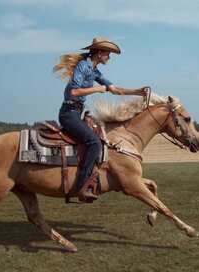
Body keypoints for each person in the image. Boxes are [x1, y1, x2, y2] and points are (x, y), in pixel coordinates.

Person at [53, 37, 147, 202]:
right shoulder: (83, 66)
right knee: (94, 142)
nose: (109, 58)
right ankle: (81, 185)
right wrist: (96, 89)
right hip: (69, 113)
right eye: (108, 54)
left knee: (99, 139)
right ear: (100, 53)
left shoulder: (94, 70)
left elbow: (114, 89)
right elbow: (73, 92)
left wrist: (137, 92)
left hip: (77, 112)